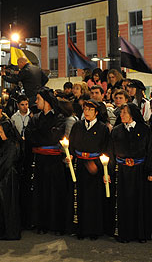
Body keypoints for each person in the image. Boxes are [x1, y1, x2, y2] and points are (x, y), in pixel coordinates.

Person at [111, 102, 152, 243]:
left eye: (125, 112)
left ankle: (141, 234)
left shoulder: (144, 129)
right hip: (122, 171)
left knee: (140, 202)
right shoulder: (117, 130)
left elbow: (151, 150)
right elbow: (111, 152)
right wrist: (109, 171)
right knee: (124, 202)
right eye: (121, 112)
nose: (122, 115)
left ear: (132, 114)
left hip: (140, 171)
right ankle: (125, 233)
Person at [66, 99, 112, 240]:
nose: (87, 112)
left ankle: (94, 230)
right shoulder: (78, 126)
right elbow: (72, 145)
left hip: (95, 168)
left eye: (90, 110)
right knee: (80, 198)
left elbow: (106, 150)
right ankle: (81, 229)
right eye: (85, 109)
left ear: (96, 112)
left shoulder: (102, 128)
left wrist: (97, 164)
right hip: (80, 166)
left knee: (94, 200)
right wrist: (70, 156)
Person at [25, 88, 67, 235]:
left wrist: (40, 136)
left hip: (54, 161)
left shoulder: (59, 117)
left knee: (54, 193)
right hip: (40, 160)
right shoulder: (35, 117)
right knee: (40, 192)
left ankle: (55, 225)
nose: (35, 102)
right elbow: (29, 136)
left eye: (38, 99)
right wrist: (43, 135)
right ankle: (40, 223)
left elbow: (53, 137)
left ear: (46, 101)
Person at [0, 120, 22, 240]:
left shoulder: (12, 145)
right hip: (3, 178)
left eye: (2, 132)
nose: (0, 134)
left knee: (6, 205)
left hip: (7, 178)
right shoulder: (7, 143)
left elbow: (6, 163)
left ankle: (6, 231)